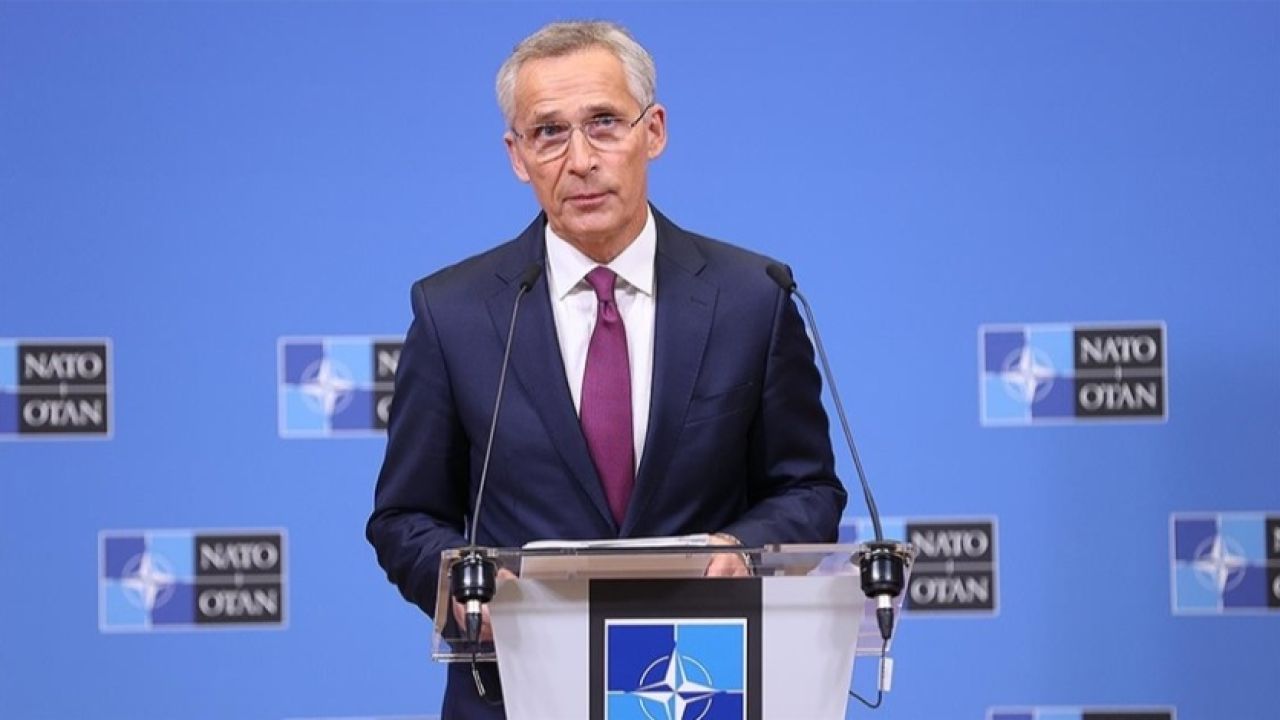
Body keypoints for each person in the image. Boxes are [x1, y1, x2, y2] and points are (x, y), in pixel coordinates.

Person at [366, 20, 847, 718]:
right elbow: (405, 516)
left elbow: (807, 488)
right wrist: (471, 591)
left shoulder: (752, 298)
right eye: (548, 133)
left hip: (704, 679)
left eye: (604, 124)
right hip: (518, 689)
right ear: (517, 156)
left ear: (654, 131)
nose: (581, 159)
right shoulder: (454, 313)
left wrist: (742, 549)